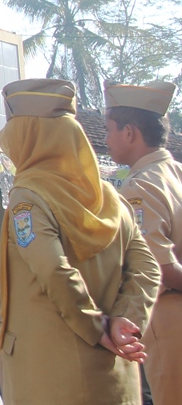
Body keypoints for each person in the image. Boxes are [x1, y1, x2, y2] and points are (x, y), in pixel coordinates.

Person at [0, 78, 160, 405]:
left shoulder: (28, 197)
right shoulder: (110, 197)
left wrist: (97, 329)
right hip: (113, 377)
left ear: (30, 134)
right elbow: (147, 269)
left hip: (51, 380)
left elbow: (54, 271)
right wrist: (125, 322)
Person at [104, 79, 181, 404]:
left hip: (168, 322)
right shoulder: (174, 173)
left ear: (130, 132)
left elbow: (157, 270)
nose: (106, 139)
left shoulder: (140, 187)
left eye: (109, 130)